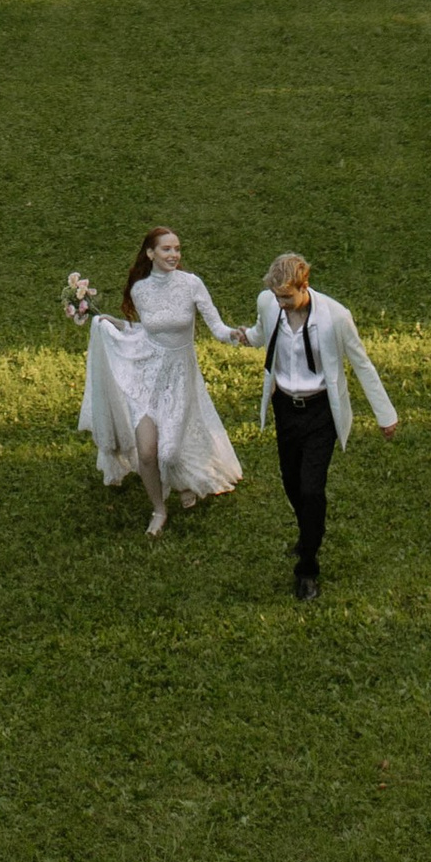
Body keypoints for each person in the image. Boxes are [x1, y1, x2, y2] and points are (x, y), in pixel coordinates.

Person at [79, 228, 248, 537]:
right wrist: (120, 325)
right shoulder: (141, 290)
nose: (174, 255)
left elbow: (217, 326)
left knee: (169, 453)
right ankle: (159, 509)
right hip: (146, 374)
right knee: (146, 452)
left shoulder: (191, 284)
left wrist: (233, 335)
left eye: (177, 249)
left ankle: (183, 481)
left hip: (180, 377)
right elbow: (150, 331)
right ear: (150, 253)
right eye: (166, 249)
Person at [249, 250, 395, 601]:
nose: (281, 304)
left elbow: (361, 363)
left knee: (312, 489)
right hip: (286, 408)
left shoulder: (336, 317)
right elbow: (261, 333)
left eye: (287, 297)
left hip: (320, 412)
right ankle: (309, 530)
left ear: (304, 286)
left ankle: (308, 567)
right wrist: (238, 335)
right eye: (277, 297)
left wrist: (385, 415)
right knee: (291, 482)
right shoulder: (269, 304)